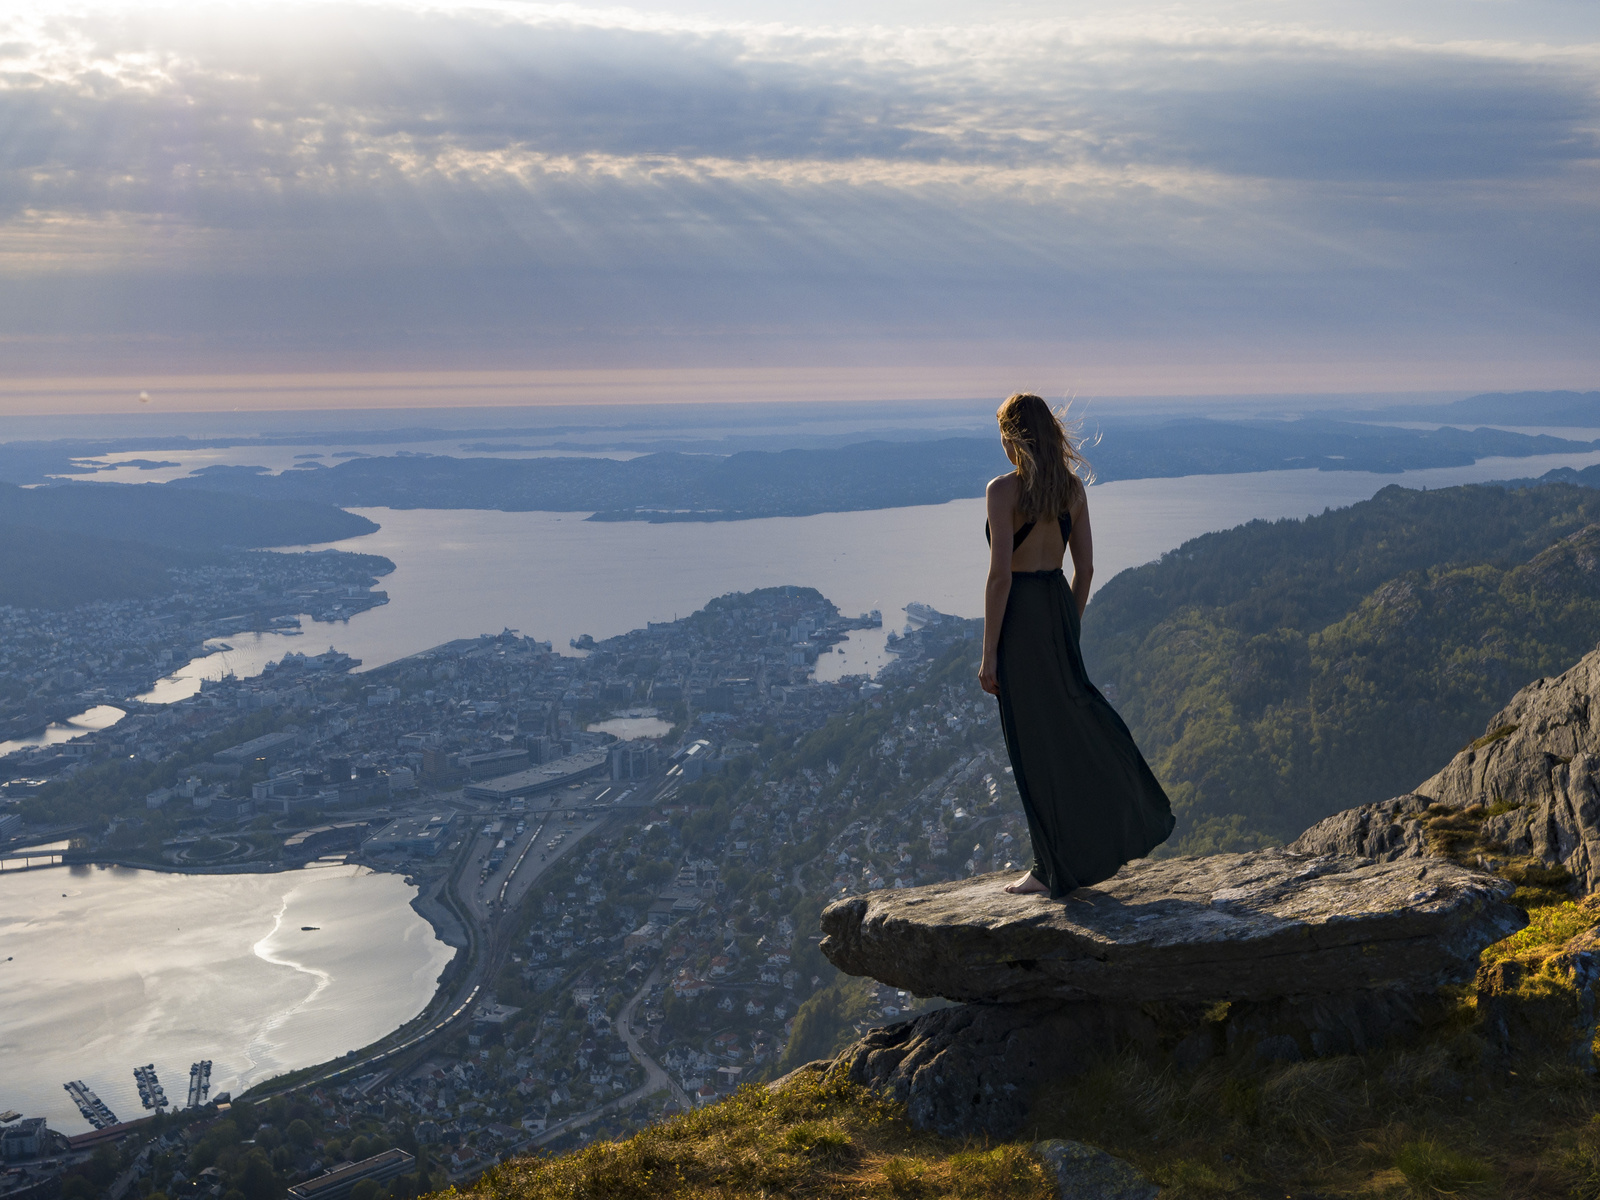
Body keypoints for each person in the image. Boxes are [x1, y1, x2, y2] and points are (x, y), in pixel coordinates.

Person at [978, 393, 1174, 897]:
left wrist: (989, 654)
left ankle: (1049, 869)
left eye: (1002, 432)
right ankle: (1118, 813)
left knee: (1033, 741)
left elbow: (1000, 577)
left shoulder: (1003, 492)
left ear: (1013, 436)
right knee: (1076, 720)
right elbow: (1084, 569)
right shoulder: (1071, 491)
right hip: (1057, 608)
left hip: (1021, 615)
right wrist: (1071, 621)